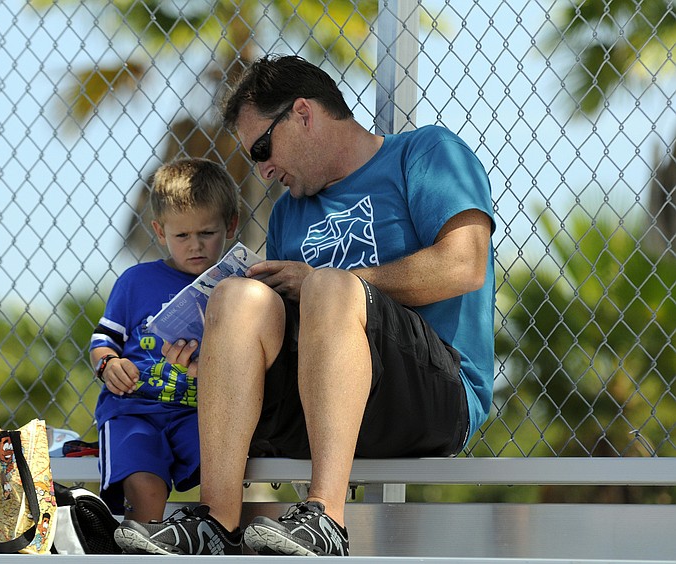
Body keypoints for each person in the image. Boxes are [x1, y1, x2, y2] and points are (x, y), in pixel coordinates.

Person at [113, 54, 495, 556]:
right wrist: (220, 360)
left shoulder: (424, 153)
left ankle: (325, 519)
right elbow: (282, 334)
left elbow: (463, 265)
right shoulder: (289, 215)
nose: (265, 171)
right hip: (320, 403)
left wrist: (326, 281)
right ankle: (215, 523)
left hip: (431, 397)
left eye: (264, 148)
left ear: (303, 113)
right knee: (237, 296)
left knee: (328, 289)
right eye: (255, 159)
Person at [88, 157, 239, 522]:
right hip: (134, 409)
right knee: (147, 488)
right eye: (182, 236)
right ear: (160, 232)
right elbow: (102, 340)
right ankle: (142, 543)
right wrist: (110, 364)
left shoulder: (238, 291)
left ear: (230, 226)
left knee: (226, 472)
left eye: (207, 233)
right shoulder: (135, 281)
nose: (195, 246)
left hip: (197, 413)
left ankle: (212, 538)